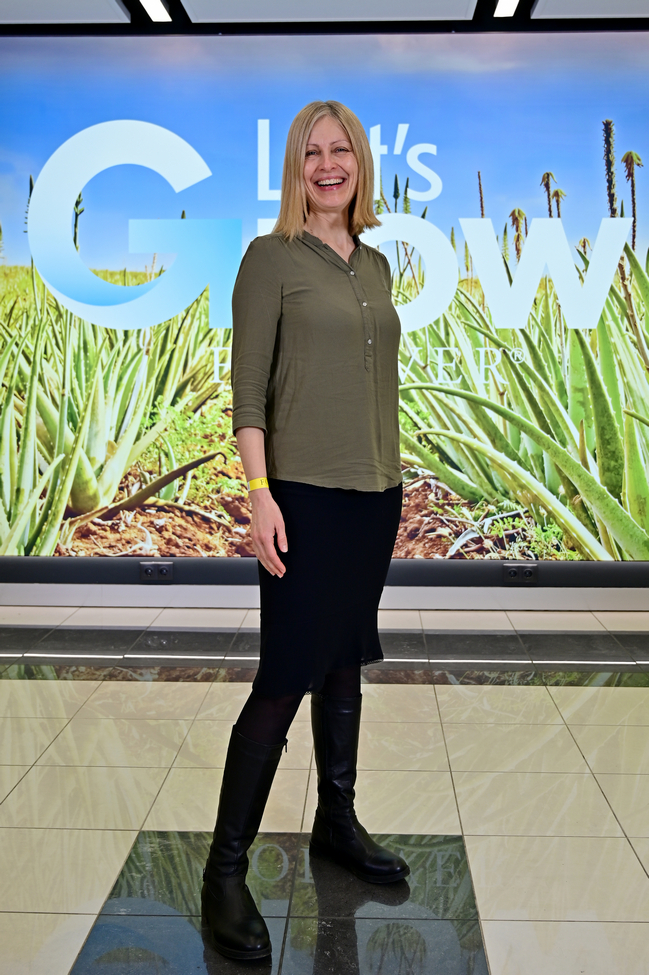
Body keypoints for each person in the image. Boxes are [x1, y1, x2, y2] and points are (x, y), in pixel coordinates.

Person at [201, 100, 409, 962]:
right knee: (284, 676)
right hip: (301, 498)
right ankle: (222, 872)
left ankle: (337, 822)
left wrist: (389, 478)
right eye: (312, 153)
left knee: (344, 659)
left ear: (360, 162)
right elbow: (248, 389)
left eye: (341, 150)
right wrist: (259, 493)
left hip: (374, 495)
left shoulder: (377, 263)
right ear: (295, 168)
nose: (328, 165)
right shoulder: (269, 258)